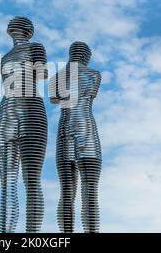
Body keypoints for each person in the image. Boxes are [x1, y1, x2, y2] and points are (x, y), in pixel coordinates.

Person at [0, 17, 48, 233]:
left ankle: (31, 235)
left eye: (17, 22)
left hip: (31, 110)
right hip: (6, 112)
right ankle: (5, 234)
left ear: (28, 30)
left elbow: (41, 75)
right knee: (7, 183)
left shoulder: (37, 48)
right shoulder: (4, 57)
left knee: (31, 179)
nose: (11, 23)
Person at [49, 41, 102, 233]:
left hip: (65, 129)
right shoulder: (94, 74)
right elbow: (90, 96)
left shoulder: (57, 77)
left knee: (66, 191)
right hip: (86, 128)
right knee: (90, 191)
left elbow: (54, 99)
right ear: (87, 56)